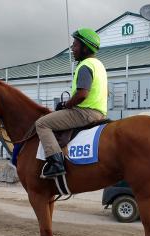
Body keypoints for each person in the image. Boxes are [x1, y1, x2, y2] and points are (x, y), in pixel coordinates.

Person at [36, 28, 108, 178]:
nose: (72, 49)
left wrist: (66, 104)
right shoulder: (99, 65)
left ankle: (56, 164)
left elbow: (82, 94)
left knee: (42, 123)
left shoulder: (85, 66)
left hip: (84, 113)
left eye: (75, 45)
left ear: (85, 48)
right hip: (100, 113)